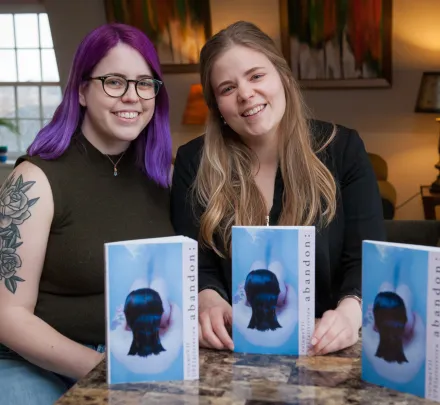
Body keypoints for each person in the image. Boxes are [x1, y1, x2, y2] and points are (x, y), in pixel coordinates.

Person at [170, 21, 385, 355]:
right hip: (231, 348)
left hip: (327, 348)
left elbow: (367, 257)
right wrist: (206, 297)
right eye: (227, 88)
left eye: (256, 76)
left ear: (282, 76)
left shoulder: (343, 149)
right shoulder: (192, 161)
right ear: (217, 107)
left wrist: (350, 312)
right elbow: (193, 261)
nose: (245, 93)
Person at [0, 23, 174, 404]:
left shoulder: (163, 178)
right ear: (81, 90)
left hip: (134, 357)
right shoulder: (33, 180)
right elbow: (7, 315)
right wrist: (103, 368)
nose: (132, 97)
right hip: (33, 365)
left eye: (145, 83)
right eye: (114, 81)